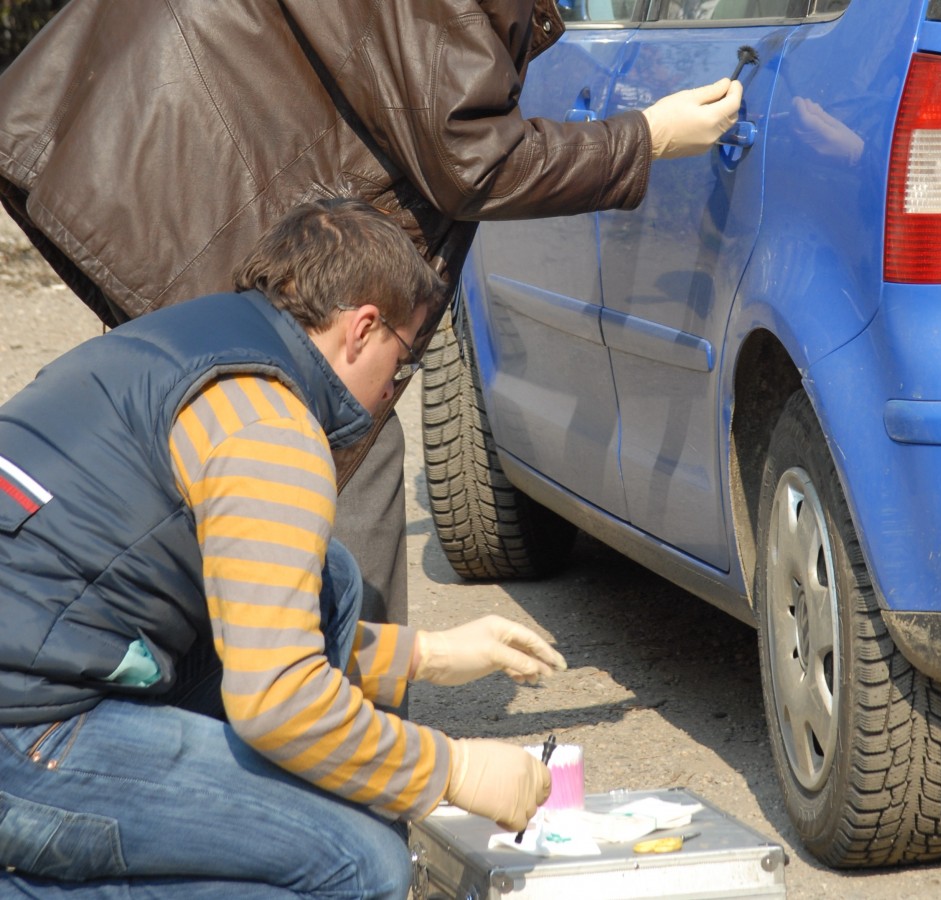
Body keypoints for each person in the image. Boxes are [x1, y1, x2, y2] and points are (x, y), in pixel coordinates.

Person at [0, 0, 744, 644]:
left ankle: (224, 701)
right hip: (200, 174)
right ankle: (343, 743)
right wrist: (643, 137)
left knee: (200, 437)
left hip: (158, 146)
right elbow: (473, 159)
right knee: (339, 439)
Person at [0, 198, 569, 897]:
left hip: (42, 663)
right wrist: (451, 769)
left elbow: (252, 623)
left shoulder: (177, 341)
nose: (396, 386)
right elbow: (277, 700)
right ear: (363, 329)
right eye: (405, 360)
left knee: (325, 580)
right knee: (359, 863)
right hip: (28, 735)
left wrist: (426, 657)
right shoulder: (271, 430)